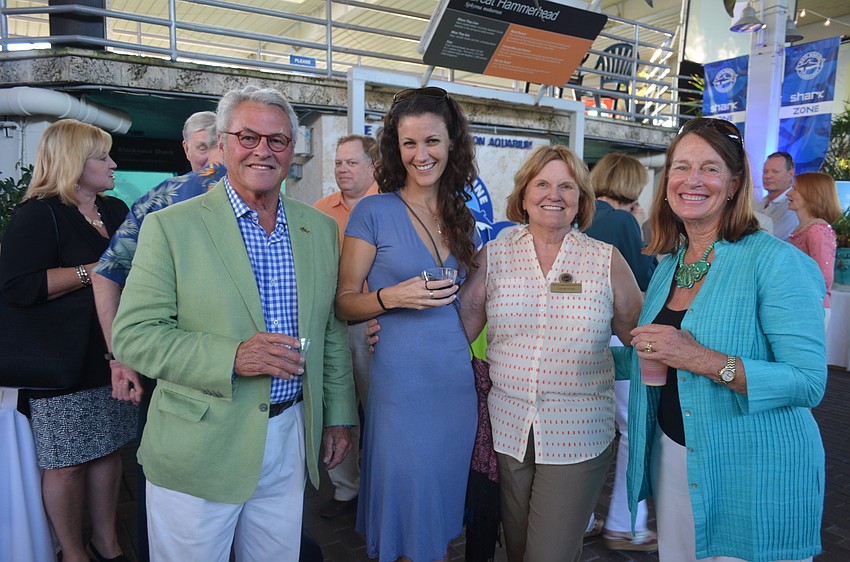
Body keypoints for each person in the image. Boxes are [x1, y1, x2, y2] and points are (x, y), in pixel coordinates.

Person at [111, 85, 357, 562]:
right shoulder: (170, 226)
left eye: (277, 140)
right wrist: (234, 357)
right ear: (221, 145)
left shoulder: (319, 228)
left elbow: (329, 330)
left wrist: (340, 414)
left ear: (291, 150)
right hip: (200, 446)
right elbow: (134, 336)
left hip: (288, 439)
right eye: (247, 137)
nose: (262, 150)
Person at [627, 118, 826, 562]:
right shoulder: (669, 265)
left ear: (735, 184)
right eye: (680, 168)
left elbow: (808, 382)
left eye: (710, 168)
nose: (692, 181)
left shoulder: (776, 263)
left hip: (753, 469)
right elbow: (656, 355)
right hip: (676, 458)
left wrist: (701, 358)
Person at [459, 144, 643, 562]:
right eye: (541, 183)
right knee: (519, 548)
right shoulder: (496, 255)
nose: (553, 194)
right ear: (523, 195)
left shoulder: (604, 260)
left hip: (578, 431)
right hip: (507, 429)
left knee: (549, 553)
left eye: (566, 185)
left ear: (582, 199)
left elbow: (637, 332)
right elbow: (459, 329)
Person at [335, 86, 479, 562]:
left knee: (438, 500)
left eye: (432, 141)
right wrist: (390, 297)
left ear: (452, 144)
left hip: (454, 381)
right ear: (396, 149)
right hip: (400, 382)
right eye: (409, 143)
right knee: (407, 494)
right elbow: (344, 303)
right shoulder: (373, 211)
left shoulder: (463, 217)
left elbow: (470, 304)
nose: (422, 154)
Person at [0, 118, 137, 562]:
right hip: (59, 362)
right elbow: (19, 286)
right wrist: (91, 272)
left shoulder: (115, 210)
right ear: (75, 164)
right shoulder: (39, 213)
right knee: (67, 464)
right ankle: (73, 552)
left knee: (109, 450)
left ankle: (107, 542)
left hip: (112, 354)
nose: (113, 163)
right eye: (103, 157)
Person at [92, 112, 225, 562]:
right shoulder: (165, 198)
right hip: (176, 368)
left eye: (217, 145)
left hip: (237, 371)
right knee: (171, 481)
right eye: (202, 147)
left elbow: (105, 273)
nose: (211, 159)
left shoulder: (168, 196)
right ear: (186, 148)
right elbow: (105, 274)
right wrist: (120, 354)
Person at [584, 152, 657, 552]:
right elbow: (643, 280)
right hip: (618, 337)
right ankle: (626, 524)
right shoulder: (624, 222)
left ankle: (578, 516)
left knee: (585, 426)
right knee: (633, 429)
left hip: (574, 338)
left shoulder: (581, 212)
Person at [313, 134, 379, 519]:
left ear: (373, 167)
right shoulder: (320, 212)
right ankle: (345, 491)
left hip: (377, 327)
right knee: (336, 412)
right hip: (332, 327)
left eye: (351, 162)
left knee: (380, 414)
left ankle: (380, 490)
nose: (342, 169)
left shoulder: (393, 206)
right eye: (338, 162)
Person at [788, 171, 841, 329]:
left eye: (795, 189)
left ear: (811, 194)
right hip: (799, 306)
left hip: (810, 310)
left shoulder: (817, 230)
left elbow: (823, 278)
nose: (789, 193)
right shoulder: (805, 228)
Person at [757, 151, 799, 241]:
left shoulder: (792, 207)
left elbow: (771, 240)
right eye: (765, 171)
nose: (768, 176)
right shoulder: (758, 203)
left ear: (790, 174)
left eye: (775, 171)